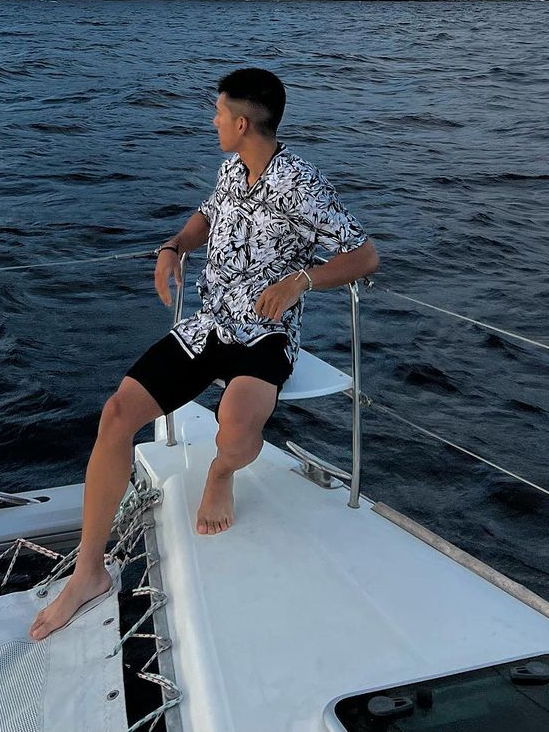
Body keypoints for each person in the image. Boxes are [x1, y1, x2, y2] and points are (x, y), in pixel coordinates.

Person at [29, 67, 379, 641]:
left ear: (241, 123)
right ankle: (88, 571)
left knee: (235, 431)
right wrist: (173, 245)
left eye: (219, 112)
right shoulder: (232, 169)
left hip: (265, 335)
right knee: (116, 414)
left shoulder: (301, 183)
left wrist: (301, 281)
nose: (213, 120)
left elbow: (364, 255)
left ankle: (221, 473)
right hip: (208, 325)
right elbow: (209, 216)